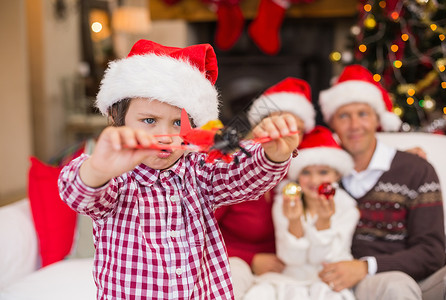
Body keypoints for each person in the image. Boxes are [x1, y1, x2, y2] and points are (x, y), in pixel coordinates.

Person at [58, 40, 300, 299]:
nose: (164, 134)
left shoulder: (200, 169)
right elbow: (78, 194)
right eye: (149, 120)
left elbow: (242, 176)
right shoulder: (115, 178)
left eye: (177, 123)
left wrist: (273, 154)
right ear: (119, 120)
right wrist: (98, 169)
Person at [317, 64, 446, 300]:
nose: (355, 125)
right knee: (395, 285)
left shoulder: (416, 169)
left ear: (377, 119)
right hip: (374, 282)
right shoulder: (324, 173)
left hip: (424, 276)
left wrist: (367, 265)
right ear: (332, 123)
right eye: (344, 116)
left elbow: (431, 252)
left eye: (363, 114)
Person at [215, 77, 313, 298]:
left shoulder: (304, 175)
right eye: (279, 125)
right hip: (234, 261)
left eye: (295, 130)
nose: (285, 135)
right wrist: (251, 259)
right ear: (261, 126)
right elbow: (199, 231)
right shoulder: (233, 169)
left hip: (288, 268)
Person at [242, 125, 359, 300]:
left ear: (336, 175)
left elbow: (325, 260)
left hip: (327, 281)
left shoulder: (346, 207)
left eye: (323, 172)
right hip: (288, 279)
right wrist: (294, 221)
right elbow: (290, 259)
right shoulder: (285, 201)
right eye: (306, 172)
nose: (314, 180)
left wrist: (324, 221)